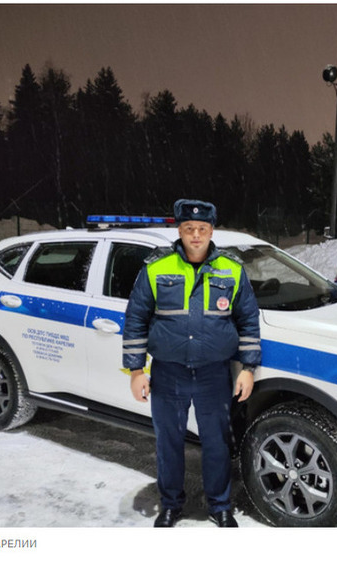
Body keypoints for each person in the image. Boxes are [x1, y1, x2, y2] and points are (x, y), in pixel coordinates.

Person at [123, 199, 261, 528]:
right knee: (168, 442)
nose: (195, 235)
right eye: (189, 229)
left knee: (217, 442)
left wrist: (248, 368)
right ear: (180, 231)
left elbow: (248, 321)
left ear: (212, 231)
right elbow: (136, 319)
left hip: (214, 374)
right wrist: (137, 370)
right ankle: (171, 503)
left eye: (202, 229)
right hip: (168, 373)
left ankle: (219, 505)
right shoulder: (156, 267)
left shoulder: (232, 268)